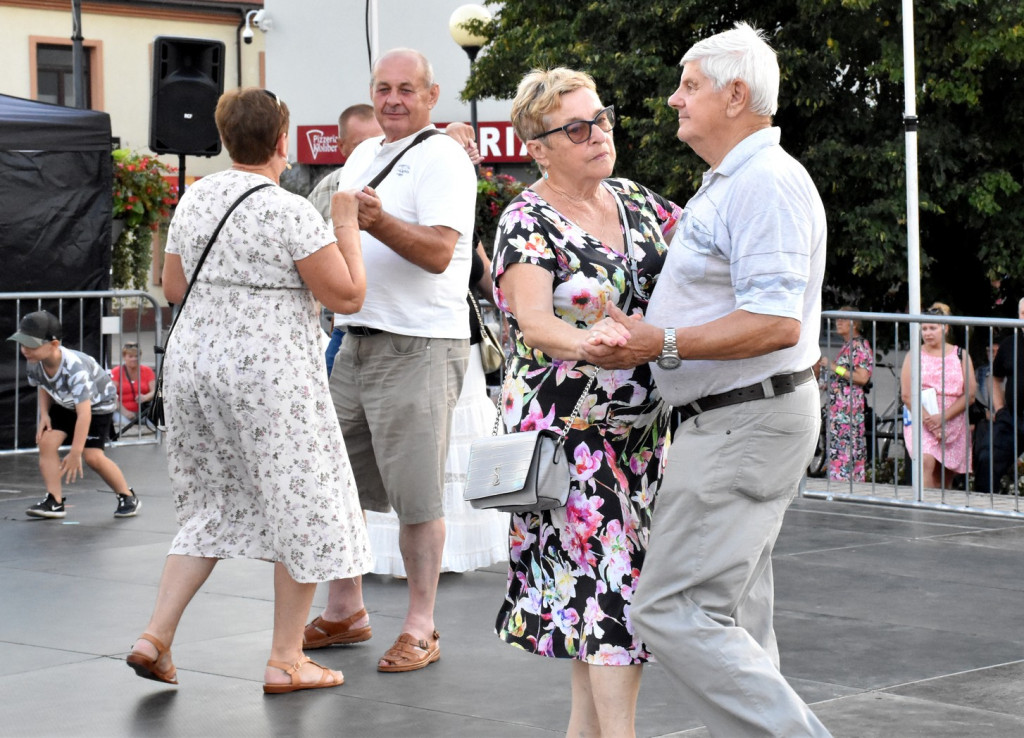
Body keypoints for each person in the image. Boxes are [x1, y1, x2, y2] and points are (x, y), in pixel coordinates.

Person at [582, 22, 831, 737]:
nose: (672, 99)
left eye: (689, 85)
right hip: (734, 417)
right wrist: (647, 331)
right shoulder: (738, 182)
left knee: (673, 609)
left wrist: (656, 341)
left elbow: (777, 321)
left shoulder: (766, 183)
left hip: (741, 421)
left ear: (736, 94)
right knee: (735, 618)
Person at [126, 87, 371, 693]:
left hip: (195, 370)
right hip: (270, 375)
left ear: (223, 136)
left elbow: (174, 285)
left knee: (209, 505)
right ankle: (287, 659)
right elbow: (347, 296)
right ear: (282, 140)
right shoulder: (289, 210)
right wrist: (344, 225)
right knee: (303, 503)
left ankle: (155, 636)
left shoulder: (195, 198)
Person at [490, 67, 681, 737]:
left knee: (595, 594)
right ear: (538, 146)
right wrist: (588, 342)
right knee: (616, 589)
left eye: (601, 119)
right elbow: (533, 322)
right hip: (568, 432)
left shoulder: (639, 202)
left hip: (641, 432)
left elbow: (707, 253)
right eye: (577, 127)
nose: (597, 134)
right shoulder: (527, 218)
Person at [302, 49, 477, 674]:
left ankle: (421, 626)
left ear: (432, 96)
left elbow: (436, 253)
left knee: (416, 498)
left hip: (418, 347)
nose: (393, 99)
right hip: (356, 341)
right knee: (333, 484)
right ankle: (345, 610)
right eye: (383, 88)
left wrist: (377, 222)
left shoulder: (445, 159)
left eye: (407, 89)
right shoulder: (362, 154)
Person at [365, 242, 509, 575]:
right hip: (415, 342)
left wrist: (523, 305)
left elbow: (487, 278)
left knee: (459, 443)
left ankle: (451, 551)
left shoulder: (462, 215)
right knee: (419, 449)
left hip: (466, 346)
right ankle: (410, 556)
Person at [8, 310, 141, 520]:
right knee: (47, 442)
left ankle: (127, 495)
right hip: (65, 401)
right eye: (22, 344)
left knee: (93, 457)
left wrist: (76, 452)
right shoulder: (34, 361)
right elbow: (43, 385)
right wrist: (44, 414)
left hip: (97, 405)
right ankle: (54, 501)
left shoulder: (75, 368)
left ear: (53, 344)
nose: (25, 350)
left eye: (31, 345)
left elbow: (85, 414)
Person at [308, 104, 384, 376]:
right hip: (344, 326)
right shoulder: (328, 188)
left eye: (380, 140)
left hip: (398, 329)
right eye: (361, 145)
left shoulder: (402, 177)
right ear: (341, 147)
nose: (373, 151)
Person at [900, 303, 976, 489]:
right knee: (926, 460)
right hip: (921, 416)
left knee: (943, 477)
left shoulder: (961, 355)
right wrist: (931, 421)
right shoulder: (913, 355)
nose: (927, 333)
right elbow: (907, 394)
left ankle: (941, 510)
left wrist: (942, 418)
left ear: (945, 328)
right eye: (924, 328)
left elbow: (970, 394)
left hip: (953, 419)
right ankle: (925, 509)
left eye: (932, 328)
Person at [817, 307, 874, 481]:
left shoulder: (859, 345)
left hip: (848, 411)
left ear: (854, 323)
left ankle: (845, 482)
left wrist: (834, 367)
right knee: (841, 447)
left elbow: (862, 377)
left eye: (842, 319)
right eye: (837, 319)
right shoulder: (848, 346)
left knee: (846, 447)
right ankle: (842, 482)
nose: (837, 322)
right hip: (841, 411)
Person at [974, 298, 1024, 493]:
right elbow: (994, 378)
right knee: (987, 457)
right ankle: (984, 510)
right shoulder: (1010, 343)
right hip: (1013, 418)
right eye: (1023, 314)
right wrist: (1001, 409)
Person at [110, 342, 156, 433]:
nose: (134, 359)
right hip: (121, 411)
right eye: (130, 356)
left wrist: (145, 397)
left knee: (154, 428)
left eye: (136, 356)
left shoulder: (148, 371)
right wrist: (124, 411)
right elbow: (112, 395)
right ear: (124, 357)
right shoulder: (116, 372)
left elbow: (154, 391)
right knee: (126, 428)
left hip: (142, 412)